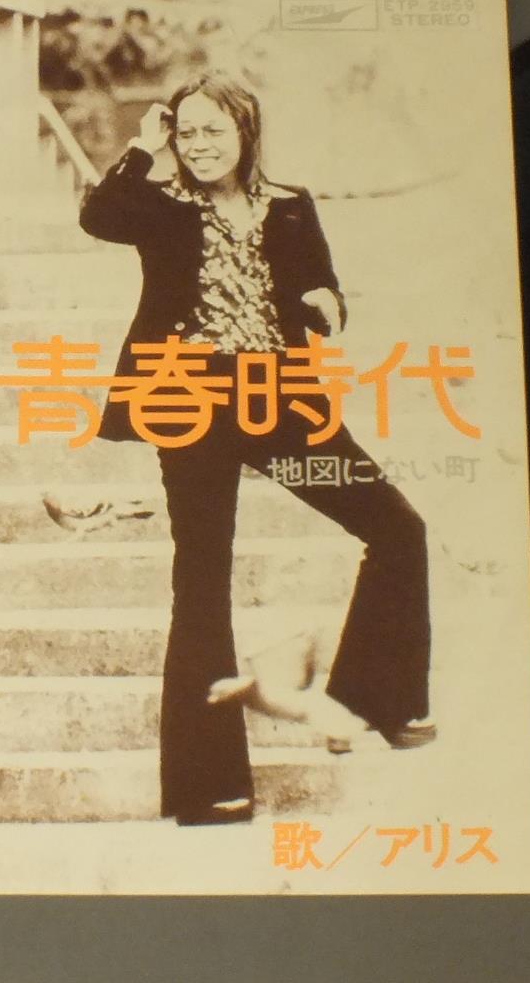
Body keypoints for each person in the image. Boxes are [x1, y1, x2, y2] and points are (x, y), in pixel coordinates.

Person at [78, 70, 434, 827]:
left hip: (281, 403)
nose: (200, 146)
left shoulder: (290, 204)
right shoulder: (161, 205)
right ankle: (208, 787)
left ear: (246, 133)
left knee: (398, 526)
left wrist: (326, 303)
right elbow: (98, 216)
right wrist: (143, 147)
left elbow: (323, 283)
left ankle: (378, 698)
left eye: (214, 131)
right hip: (188, 399)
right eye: (187, 132)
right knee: (202, 583)